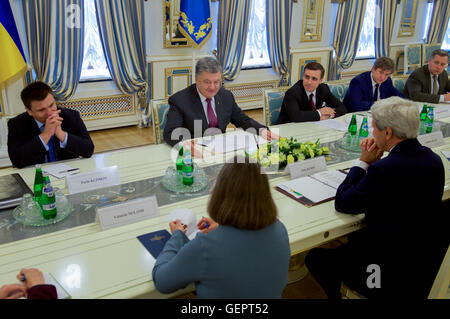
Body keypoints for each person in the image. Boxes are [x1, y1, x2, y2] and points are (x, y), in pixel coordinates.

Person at [305, 96, 446, 299]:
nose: (372, 133)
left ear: (388, 132)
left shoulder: (384, 169)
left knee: (315, 258)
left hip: (382, 273)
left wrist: (363, 162)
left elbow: (344, 202)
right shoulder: (434, 160)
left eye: (374, 128)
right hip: (423, 261)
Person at [152, 156, 291, 298]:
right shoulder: (280, 229)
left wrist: (177, 236)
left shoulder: (205, 246)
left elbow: (162, 281)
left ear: (219, 193)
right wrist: (221, 227)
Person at [163, 57, 277, 147]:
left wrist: (261, 130)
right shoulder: (179, 101)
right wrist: (185, 145)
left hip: (221, 150)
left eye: (216, 82)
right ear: (197, 80)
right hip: (194, 153)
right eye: (207, 82)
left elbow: (243, 120)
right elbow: (170, 132)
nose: (212, 87)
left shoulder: (226, 96)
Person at [7, 81, 94, 168]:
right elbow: (16, 160)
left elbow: (89, 150)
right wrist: (46, 134)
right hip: (36, 175)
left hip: (67, 171)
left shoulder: (71, 116)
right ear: (29, 111)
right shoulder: (16, 124)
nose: (49, 113)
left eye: (51, 105)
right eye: (41, 110)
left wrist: (62, 135)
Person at [276, 62, 347, 124]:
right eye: (307, 77)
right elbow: (296, 117)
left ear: (320, 80)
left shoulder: (323, 89)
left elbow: (342, 107)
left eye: (314, 79)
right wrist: (319, 113)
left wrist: (329, 115)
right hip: (287, 129)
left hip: (313, 126)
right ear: (303, 76)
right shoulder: (292, 93)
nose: (309, 82)